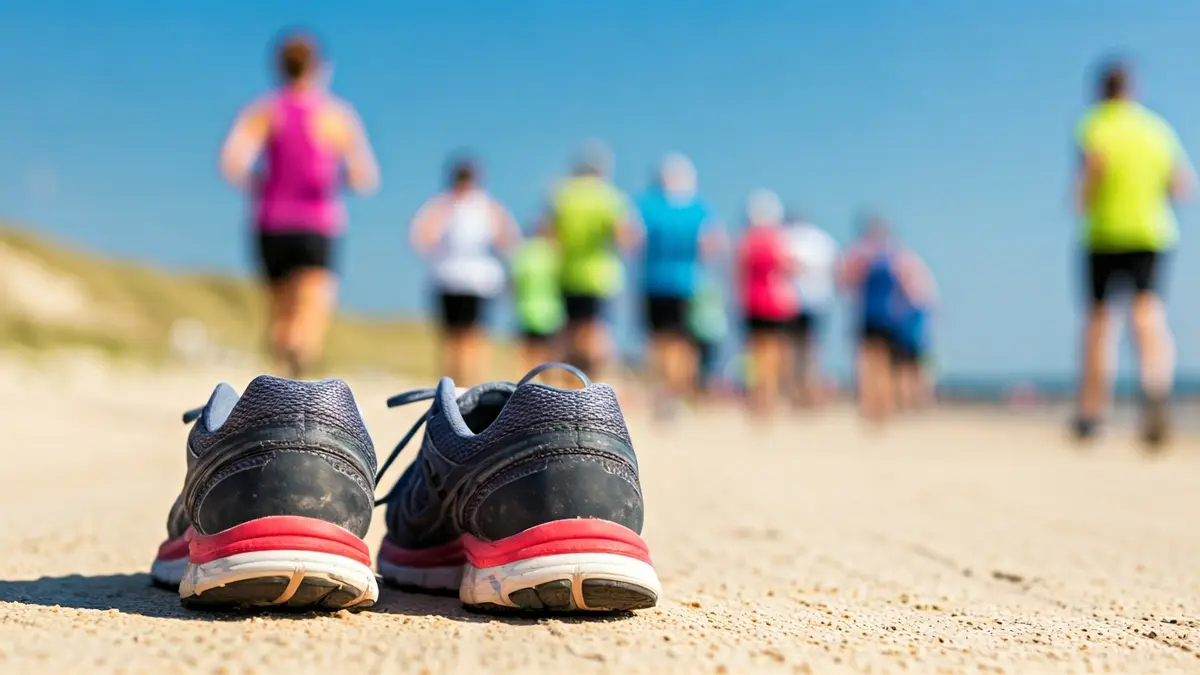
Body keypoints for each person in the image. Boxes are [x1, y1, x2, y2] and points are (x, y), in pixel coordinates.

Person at [219, 31, 379, 378]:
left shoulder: (264, 111)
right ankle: (299, 374)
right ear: (319, 67)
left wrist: (262, 184)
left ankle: (278, 380)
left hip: (271, 220)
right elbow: (365, 177)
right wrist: (335, 180)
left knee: (280, 311)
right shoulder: (335, 115)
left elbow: (232, 162)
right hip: (316, 221)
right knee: (311, 307)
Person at [1072, 59, 1195, 447]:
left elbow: (1093, 170)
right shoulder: (1157, 129)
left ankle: (1093, 412)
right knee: (1147, 313)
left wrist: (1081, 198)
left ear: (1101, 90)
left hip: (1104, 233)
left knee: (1100, 321)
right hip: (1152, 233)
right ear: (1133, 89)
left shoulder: (1096, 123)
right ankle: (1155, 388)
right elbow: (1182, 186)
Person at [410, 157, 520, 387]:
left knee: (457, 337)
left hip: (453, 277)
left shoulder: (443, 205)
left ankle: (456, 386)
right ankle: (467, 386)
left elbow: (421, 237)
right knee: (470, 337)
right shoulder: (486, 207)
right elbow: (509, 240)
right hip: (473, 279)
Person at [636, 153, 725, 414]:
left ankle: (663, 394)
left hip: (654, 280)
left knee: (658, 341)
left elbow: (633, 238)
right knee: (682, 342)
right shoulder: (698, 208)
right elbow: (712, 244)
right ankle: (676, 394)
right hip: (687, 283)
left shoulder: (648, 205)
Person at [542, 141, 637, 380]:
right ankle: (590, 386)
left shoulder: (563, 193)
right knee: (595, 332)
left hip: (567, 273)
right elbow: (624, 235)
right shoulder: (608, 195)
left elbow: (549, 234)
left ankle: (565, 384)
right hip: (599, 276)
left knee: (569, 330)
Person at [838, 216, 933, 423]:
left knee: (869, 361)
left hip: (871, 315)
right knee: (881, 362)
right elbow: (910, 287)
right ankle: (881, 404)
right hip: (887, 316)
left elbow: (845, 283)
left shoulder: (861, 256)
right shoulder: (896, 256)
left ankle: (872, 404)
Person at [735, 189, 798, 415]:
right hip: (775, 303)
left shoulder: (747, 240)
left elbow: (738, 272)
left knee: (755, 353)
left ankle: (757, 397)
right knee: (772, 354)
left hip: (752, 302)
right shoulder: (778, 239)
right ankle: (769, 397)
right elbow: (790, 268)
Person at [784, 213, 839, 407]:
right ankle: (808, 391)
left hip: (793, 302)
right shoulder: (823, 240)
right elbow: (837, 271)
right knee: (811, 350)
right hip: (817, 301)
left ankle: (797, 392)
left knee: (792, 350)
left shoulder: (786, 237)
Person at [509, 228, 566, 378]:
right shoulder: (553, 253)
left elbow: (515, 283)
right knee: (549, 355)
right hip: (549, 311)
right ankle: (547, 386)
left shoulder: (524, 252)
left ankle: (529, 385)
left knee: (529, 353)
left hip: (527, 310)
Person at [688, 272, 730, 401]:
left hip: (705, 331)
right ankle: (700, 392)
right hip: (706, 331)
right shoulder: (713, 286)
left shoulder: (698, 285)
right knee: (705, 365)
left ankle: (701, 392)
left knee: (704, 365)